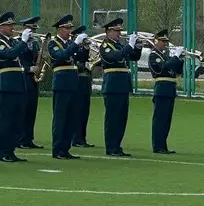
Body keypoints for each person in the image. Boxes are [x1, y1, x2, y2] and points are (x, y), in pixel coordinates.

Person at [99, 18, 140, 157]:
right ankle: (111, 147)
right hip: (112, 85)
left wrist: (137, 46)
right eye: (116, 31)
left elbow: (134, 57)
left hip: (123, 85)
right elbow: (114, 57)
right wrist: (129, 45)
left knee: (122, 118)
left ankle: (117, 145)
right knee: (112, 118)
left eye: (120, 31)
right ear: (108, 31)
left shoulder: (120, 44)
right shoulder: (105, 46)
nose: (119, 33)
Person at [0, 11, 30, 163]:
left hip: (18, 83)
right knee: (5, 120)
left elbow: (24, 55)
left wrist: (25, 42)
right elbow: (8, 55)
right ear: (0, 27)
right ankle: (3, 152)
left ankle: (11, 150)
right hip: (6, 84)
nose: (12, 27)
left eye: (12, 24)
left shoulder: (14, 41)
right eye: (8, 25)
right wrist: (23, 41)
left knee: (16, 120)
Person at [46, 14, 84, 160]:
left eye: (70, 28)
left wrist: (83, 47)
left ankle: (66, 148)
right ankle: (57, 149)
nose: (69, 31)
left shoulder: (70, 43)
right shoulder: (53, 43)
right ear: (59, 29)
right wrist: (75, 44)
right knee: (60, 118)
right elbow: (60, 56)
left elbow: (80, 58)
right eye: (67, 28)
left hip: (73, 83)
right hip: (61, 83)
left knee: (71, 118)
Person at [149, 29, 183, 154]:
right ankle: (157, 146)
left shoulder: (165, 55)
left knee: (166, 120)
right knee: (160, 119)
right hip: (161, 89)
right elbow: (162, 68)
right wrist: (175, 57)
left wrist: (180, 60)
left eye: (166, 41)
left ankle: (163, 145)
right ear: (156, 41)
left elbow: (177, 72)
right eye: (163, 41)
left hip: (170, 89)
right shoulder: (154, 55)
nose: (165, 44)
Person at [17, 16, 43, 150]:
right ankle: (20, 139)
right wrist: (28, 69)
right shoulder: (18, 41)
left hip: (33, 78)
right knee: (23, 109)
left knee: (32, 109)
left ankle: (28, 138)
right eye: (30, 28)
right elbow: (16, 59)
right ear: (24, 28)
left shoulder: (35, 42)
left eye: (33, 28)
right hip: (22, 77)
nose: (32, 31)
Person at [70, 25, 94, 148]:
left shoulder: (83, 48)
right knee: (78, 110)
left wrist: (86, 48)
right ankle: (76, 138)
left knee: (85, 111)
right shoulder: (73, 47)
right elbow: (75, 61)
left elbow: (86, 58)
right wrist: (83, 65)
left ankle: (82, 138)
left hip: (85, 81)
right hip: (77, 80)